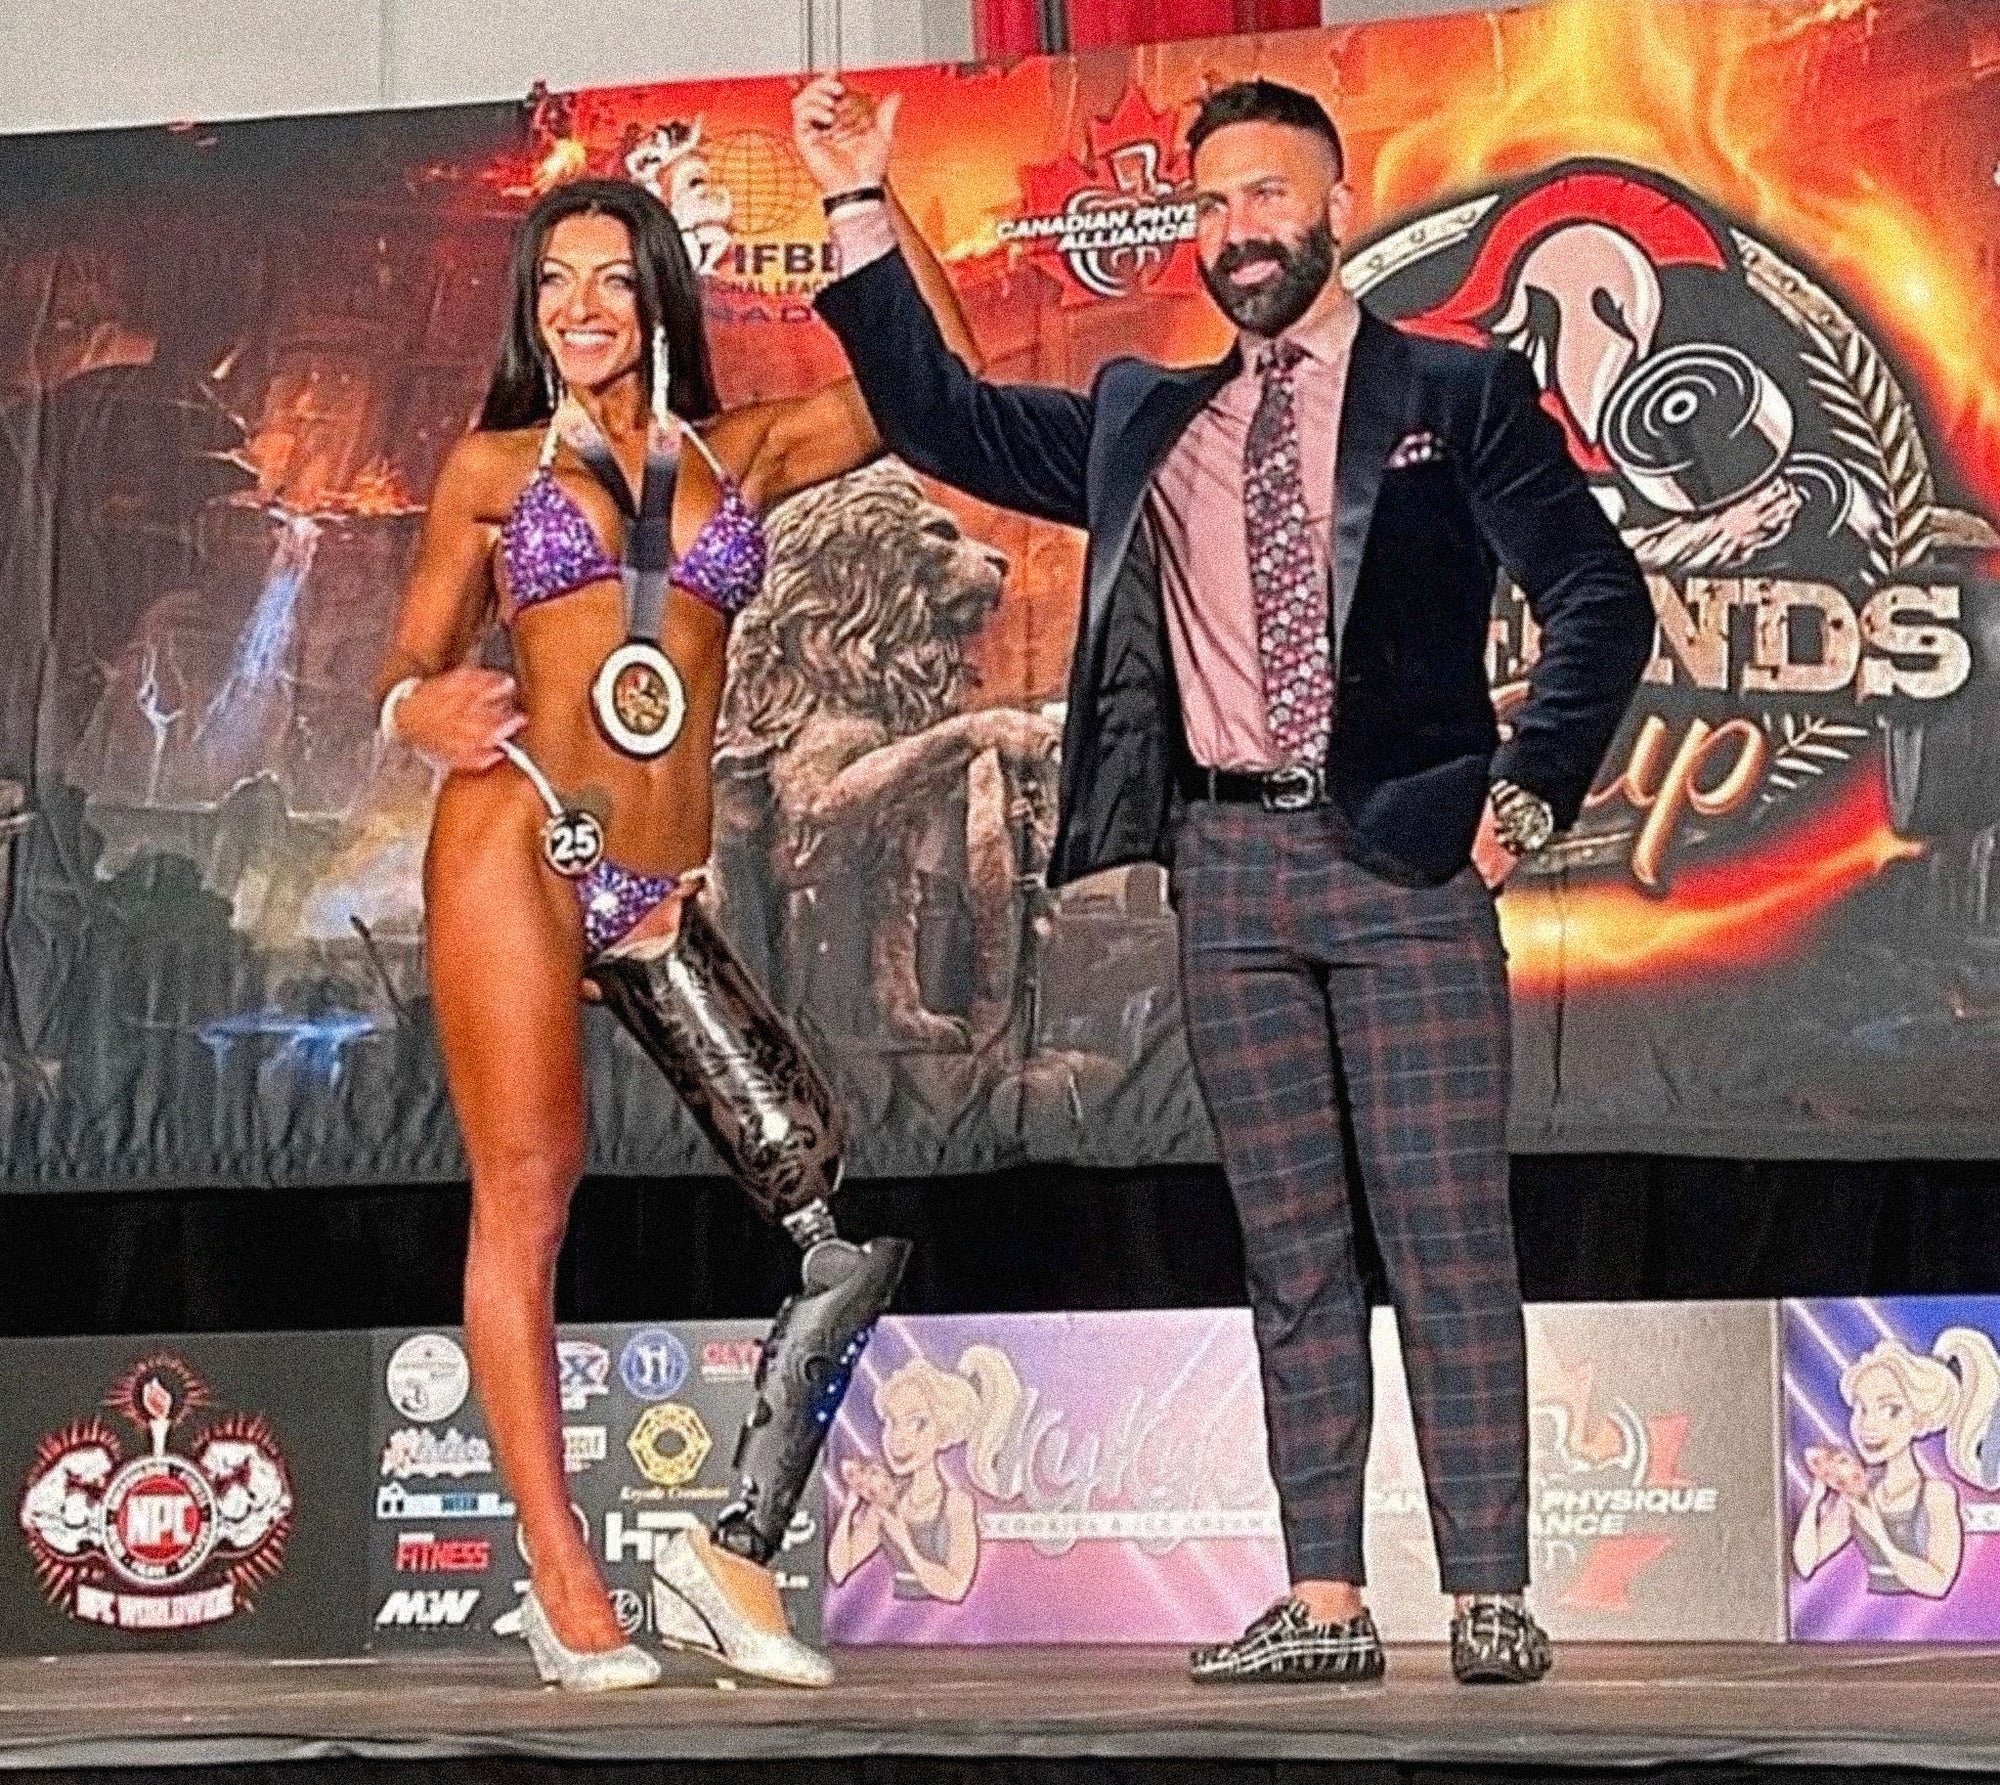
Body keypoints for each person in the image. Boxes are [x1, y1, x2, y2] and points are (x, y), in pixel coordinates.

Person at [797, 74, 1654, 1683]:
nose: (1236, 230)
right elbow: (940, 416)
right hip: (1231, 870)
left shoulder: (1454, 393)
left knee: (1447, 1226)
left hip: (1405, 857)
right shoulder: (1148, 418)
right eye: (1209, 205)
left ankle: (1489, 1592)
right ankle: (1324, 1601)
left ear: (1336, 204)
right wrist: (857, 199)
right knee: (1290, 1245)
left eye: (1266, 196)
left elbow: (1603, 597)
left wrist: (1525, 802)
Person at [374, 167, 979, 1690]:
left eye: (610, 281)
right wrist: (414, 706)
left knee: (829, 1217)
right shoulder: (492, 468)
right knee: (530, 1198)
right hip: (520, 835)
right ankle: (562, 1580)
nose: (580, 308)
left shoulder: (740, 452)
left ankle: (730, 1555)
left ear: (658, 298)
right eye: (555, 284)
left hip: (657, 888)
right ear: (533, 308)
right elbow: (408, 660)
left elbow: (930, 381)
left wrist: (861, 189)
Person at [1794, 1327, 2000, 1599]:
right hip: (1861, 1632)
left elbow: (1938, 1584)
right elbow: (1806, 1564)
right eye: (1863, 1409)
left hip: (1926, 1634)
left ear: (1920, 1419)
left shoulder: (1937, 1495)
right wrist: (1816, 1499)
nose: (1869, 1425)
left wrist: (1880, 1535)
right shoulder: (1858, 1492)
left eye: (1890, 1410)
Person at [826, 1343, 1022, 1603]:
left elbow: (955, 1589)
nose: (898, 1438)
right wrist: (850, 1509)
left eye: (917, 1423)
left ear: (944, 1432)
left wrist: (906, 1543)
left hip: (952, 1636)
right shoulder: (886, 1503)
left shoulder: (956, 1504)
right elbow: (839, 1571)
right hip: (889, 1638)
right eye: (892, 1422)